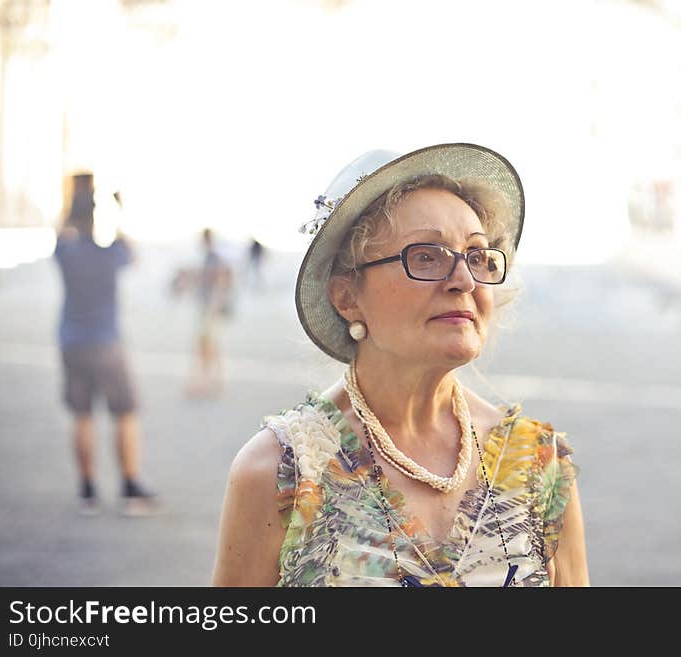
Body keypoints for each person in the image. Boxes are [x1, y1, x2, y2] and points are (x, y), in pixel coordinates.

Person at [212, 144, 589, 587]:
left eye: (477, 255)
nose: (465, 281)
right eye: (426, 256)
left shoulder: (537, 463)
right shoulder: (284, 472)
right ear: (347, 297)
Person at [53, 172, 159, 516]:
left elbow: (60, 230)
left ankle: (87, 491)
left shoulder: (67, 252)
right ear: (96, 217)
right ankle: (130, 487)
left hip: (71, 342)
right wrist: (119, 210)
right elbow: (132, 252)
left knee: (82, 415)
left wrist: (73, 203)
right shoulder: (109, 254)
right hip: (107, 344)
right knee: (124, 413)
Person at [185, 228, 233, 398]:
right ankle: (212, 382)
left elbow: (219, 285)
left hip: (210, 310)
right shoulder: (210, 258)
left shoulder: (213, 259)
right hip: (207, 309)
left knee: (206, 346)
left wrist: (213, 308)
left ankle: (207, 382)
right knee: (209, 346)